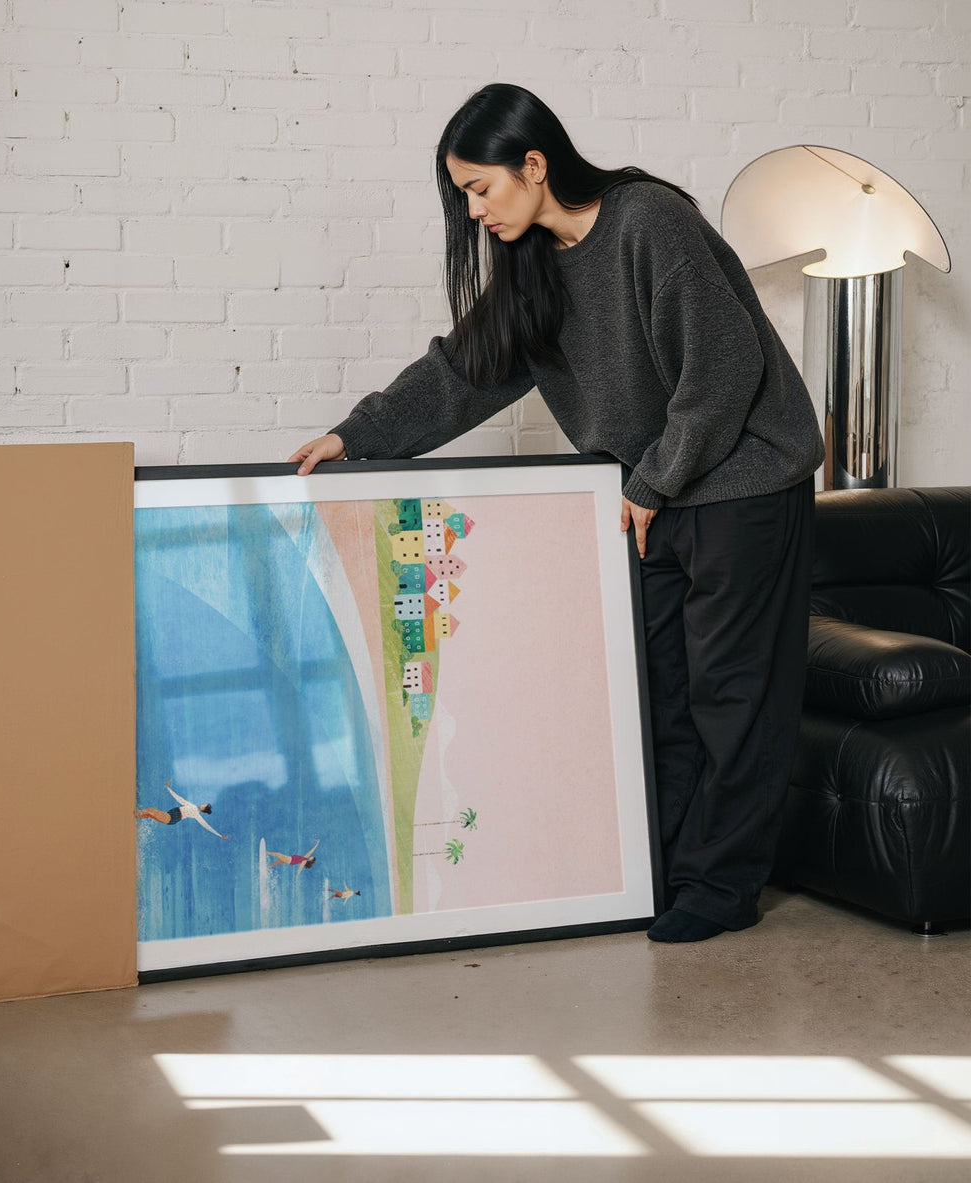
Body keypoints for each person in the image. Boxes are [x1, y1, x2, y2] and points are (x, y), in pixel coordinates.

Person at [289, 83, 824, 943]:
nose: (473, 212)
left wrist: (652, 482)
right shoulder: (533, 263)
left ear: (534, 165)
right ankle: (667, 872)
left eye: (481, 189)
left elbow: (722, 371)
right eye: (462, 195)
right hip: (654, 492)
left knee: (734, 694)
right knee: (660, 694)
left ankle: (720, 888)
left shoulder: (648, 222)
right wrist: (358, 435)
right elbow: (466, 370)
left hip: (742, 479)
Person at [135, 781, 229, 839]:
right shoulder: (193, 805)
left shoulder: (197, 815)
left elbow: (206, 826)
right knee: (151, 815)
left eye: (205, 805)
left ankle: (136, 813)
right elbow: (179, 799)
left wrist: (220, 835)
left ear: (204, 808)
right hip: (171, 814)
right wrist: (168, 788)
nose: (203, 804)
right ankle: (137, 816)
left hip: (172, 817)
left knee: (151, 810)